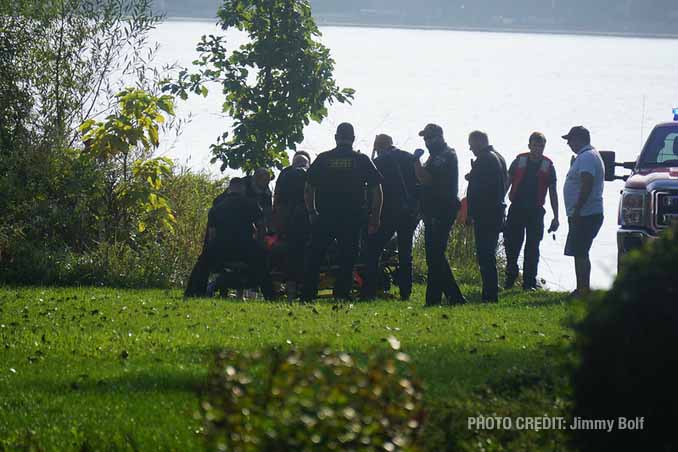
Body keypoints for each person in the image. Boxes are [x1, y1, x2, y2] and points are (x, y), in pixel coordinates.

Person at [302, 123, 384, 301]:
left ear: (335, 137)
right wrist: (375, 217)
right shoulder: (362, 160)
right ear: (353, 139)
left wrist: (312, 212)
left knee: (315, 256)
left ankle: (307, 295)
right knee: (348, 257)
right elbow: (376, 191)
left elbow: (308, 188)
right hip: (352, 217)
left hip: (325, 216)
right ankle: (342, 295)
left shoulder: (323, 159)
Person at [184, 178, 274, 299]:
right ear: (243, 189)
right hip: (245, 248)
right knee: (262, 265)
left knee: (202, 264)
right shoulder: (251, 204)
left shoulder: (217, 208)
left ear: (229, 189)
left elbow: (212, 235)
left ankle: (194, 292)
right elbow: (262, 228)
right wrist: (259, 244)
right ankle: (270, 295)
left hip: (221, 248)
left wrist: (210, 250)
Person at [413, 124, 466, 306]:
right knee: (434, 256)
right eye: (425, 138)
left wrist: (415, 161)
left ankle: (442, 298)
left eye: (429, 137)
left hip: (441, 209)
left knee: (435, 255)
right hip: (434, 210)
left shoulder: (444, 156)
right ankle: (448, 297)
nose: (427, 141)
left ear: (439, 137)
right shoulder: (436, 155)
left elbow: (425, 178)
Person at [362, 134, 420, 301]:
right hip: (408, 213)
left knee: (374, 250)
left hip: (387, 212)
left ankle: (370, 290)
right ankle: (405, 292)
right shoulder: (409, 157)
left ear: (378, 147)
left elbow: (372, 190)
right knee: (405, 252)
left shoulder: (378, 162)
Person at [504, 132, 560, 290]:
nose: (537, 149)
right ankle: (510, 276)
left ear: (544, 147)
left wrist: (556, 217)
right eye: (535, 145)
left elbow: (553, 192)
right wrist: (500, 203)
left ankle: (528, 283)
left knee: (533, 247)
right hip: (516, 209)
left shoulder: (548, 166)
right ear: (529, 146)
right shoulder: (519, 161)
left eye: (540, 146)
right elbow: (507, 182)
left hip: (536, 212)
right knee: (512, 244)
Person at [562, 126, 604, 298]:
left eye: (570, 140)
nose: (568, 144)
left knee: (580, 251)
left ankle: (583, 290)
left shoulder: (586, 157)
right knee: (580, 251)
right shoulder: (587, 156)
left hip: (585, 214)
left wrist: (578, 208)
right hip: (586, 213)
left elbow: (587, 183)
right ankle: (581, 288)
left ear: (579, 139)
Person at [466, 130, 508, 303]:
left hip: (486, 214)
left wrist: (470, 213)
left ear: (479, 142)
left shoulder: (484, 159)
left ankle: (490, 295)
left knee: (485, 255)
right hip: (496, 211)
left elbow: (478, 190)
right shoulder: (498, 157)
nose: (470, 148)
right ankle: (490, 291)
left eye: (472, 144)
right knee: (488, 253)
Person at [274, 151, 312, 299]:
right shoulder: (310, 172)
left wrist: (278, 221)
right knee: (307, 253)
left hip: (287, 221)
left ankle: (290, 287)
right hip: (307, 220)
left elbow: (277, 198)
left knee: (290, 253)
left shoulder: (285, 174)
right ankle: (305, 286)